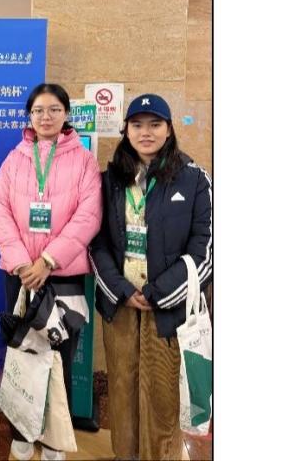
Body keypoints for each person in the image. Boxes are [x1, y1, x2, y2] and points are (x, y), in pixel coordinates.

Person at [89, 94, 212, 460]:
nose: (146, 132)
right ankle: (124, 455)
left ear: (169, 129)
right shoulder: (108, 180)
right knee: (122, 389)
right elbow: (97, 243)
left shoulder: (194, 179)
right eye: (137, 125)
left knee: (163, 395)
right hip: (121, 306)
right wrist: (123, 290)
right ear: (126, 130)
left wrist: (159, 293)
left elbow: (205, 248)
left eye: (155, 124)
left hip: (169, 311)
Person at [0, 83, 102, 461]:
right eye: (38, 110)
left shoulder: (84, 161)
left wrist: (48, 261)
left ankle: (54, 439)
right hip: (21, 276)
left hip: (63, 275)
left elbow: (89, 217)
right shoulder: (14, 159)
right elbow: (0, 213)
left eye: (54, 109)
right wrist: (24, 263)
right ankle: (22, 433)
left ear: (66, 114)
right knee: (23, 354)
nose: (46, 117)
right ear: (30, 116)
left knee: (59, 358)